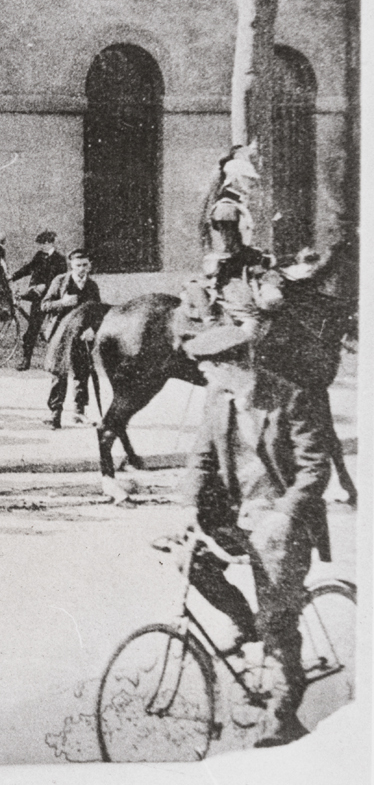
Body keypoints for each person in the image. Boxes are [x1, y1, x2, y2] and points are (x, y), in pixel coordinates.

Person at [178, 151, 332, 747]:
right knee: (187, 559)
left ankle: (284, 711)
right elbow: (197, 462)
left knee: (279, 615)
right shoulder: (219, 401)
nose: (211, 373)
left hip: (280, 520)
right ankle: (244, 626)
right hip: (238, 514)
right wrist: (187, 511)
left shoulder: (289, 398)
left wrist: (285, 516)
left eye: (218, 362)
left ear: (240, 359)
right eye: (207, 364)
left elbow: (314, 467)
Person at [39, 249, 100, 428]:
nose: (82, 269)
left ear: (89, 266)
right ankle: (54, 413)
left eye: (85, 265)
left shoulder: (92, 286)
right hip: (61, 334)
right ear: (71, 266)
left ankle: (79, 412)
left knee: (82, 372)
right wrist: (62, 303)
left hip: (82, 335)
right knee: (59, 373)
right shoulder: (60, 281)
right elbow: (44, 305)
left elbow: (97, 312)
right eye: (78, 265)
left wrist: (92, 329)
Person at [9, 231, 68, 371]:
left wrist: (46, 287)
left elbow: (60, 280)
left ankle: (58, 361)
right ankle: (26, 360)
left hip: (52, 299)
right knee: (32, 330)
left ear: (50, 243)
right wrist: (13, 276)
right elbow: (29, 268)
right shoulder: (39, 256)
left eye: (43, 244)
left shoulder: (60, 259)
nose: (41, 247)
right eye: (40, 244)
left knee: (56, 330)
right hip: (37, 296)